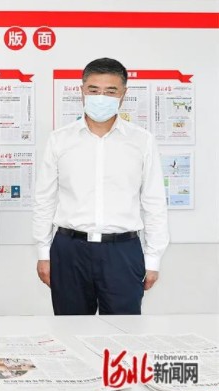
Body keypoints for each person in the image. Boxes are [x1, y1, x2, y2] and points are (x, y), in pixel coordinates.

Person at [33, 57, 169, 315]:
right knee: (70, 329)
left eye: (110, 91)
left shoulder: (142, 141)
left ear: (123, 94)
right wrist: (43, 252)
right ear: (82, 91)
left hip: (122, 251)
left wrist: (153, 259)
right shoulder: (60, 140)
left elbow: (154, 203)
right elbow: (44, 199)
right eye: (94, 90)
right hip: (69, 249)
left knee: (124, 330)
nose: (101, 97)